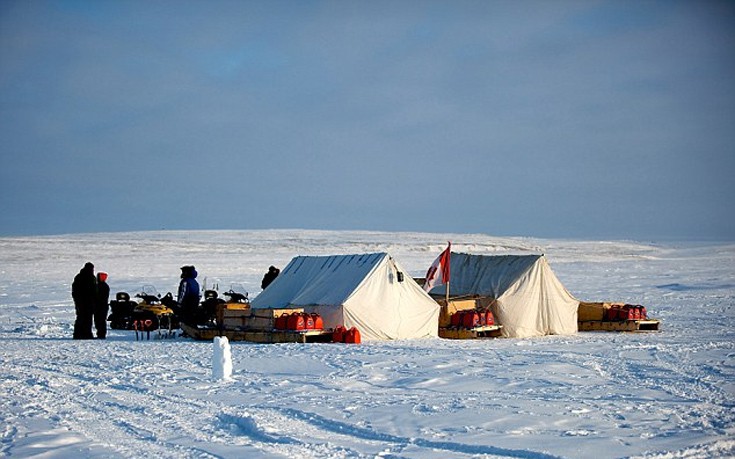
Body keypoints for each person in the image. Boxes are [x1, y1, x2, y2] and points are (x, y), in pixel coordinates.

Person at [72, 262, 97, 339]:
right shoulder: (89, 277)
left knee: (82, 317)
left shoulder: (79, 277)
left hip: (83, 301)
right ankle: (84, 334)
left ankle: (80, 334)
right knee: (85, 318)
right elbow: (94, 290)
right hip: (85, 301)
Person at [94, 272, 110, 339]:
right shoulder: (102, 285)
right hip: (100, 305)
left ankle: (101, 335)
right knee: (98, 320)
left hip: (101, 306)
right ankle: (100, 334)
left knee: (100, 320)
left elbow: (99, 296)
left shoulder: (102, 286)